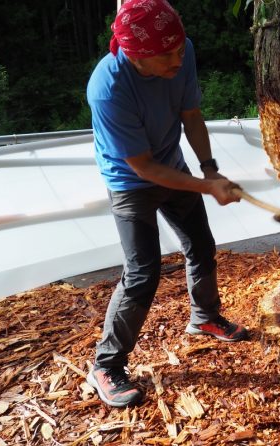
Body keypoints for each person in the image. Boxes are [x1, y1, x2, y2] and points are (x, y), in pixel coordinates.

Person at [85, 0, 248, 408]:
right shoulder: (108, 88)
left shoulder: (181, 50)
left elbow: (190, 114)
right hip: (130, 183)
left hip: (171, 165)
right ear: (138, 55)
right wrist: (205, 188)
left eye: (181, 48)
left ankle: (205, 317)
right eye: (168, 55)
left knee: (201, 246)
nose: (180, 58)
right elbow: (142, 167)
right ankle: (106, 365)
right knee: (142, 272)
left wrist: (209, 170)